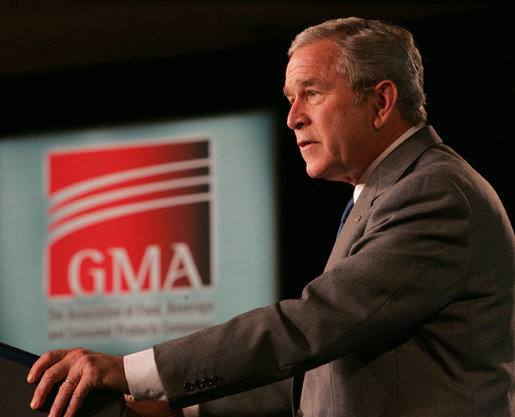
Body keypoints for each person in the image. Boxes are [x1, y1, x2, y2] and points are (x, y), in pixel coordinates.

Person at [27, 17, 514, 417]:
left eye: (313, 93)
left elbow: (312, 326)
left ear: (382, 101)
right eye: (290, 99)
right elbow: (324, 371)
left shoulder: (434, 193)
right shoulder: (384, 192)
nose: (293, 117)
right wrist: (180, 406)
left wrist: (133, 372)